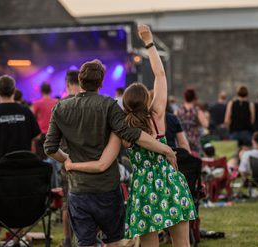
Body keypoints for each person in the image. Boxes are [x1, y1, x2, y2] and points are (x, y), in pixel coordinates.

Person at [63, 24, 196, 247]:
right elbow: (160, 75)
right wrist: (149, 42)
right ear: (147, 99)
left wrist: (73, 164)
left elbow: (104, 162)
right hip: (168, 182)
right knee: (182, 244)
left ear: (124, 103)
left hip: (143, 189)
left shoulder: (122, 131)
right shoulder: (157, 115)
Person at [44, 57, 176, 246]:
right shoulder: (108, 105)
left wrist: (66, 159)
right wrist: (165, 148)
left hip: (78, 188)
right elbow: (131, 133)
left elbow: (49, 148)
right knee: (115, 241)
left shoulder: (60, 107)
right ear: (101, 82)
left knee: (85, 242)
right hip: (107, 187)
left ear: (80, 81)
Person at [0, 75, 41, 247]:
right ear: (14, 91)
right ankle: (17, 239)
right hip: (24, 169)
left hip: (1, 170)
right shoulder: (25, 111)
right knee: (20, 201)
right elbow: (36, 136)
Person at [60, 69, 80, 247]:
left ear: (67, 84)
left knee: (67, 201)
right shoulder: (92, 103)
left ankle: (67, 239)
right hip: (92, 161)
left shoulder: (60, 106)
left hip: (67, 161)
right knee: (90, 200)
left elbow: (53, 140)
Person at [176, 88, 209, 154]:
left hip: (182, 138)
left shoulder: (179, 110)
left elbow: (174, 123)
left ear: (185, 97)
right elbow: (206, 124)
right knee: (195, 159)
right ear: (194, 98)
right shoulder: (196, 110)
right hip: (194, 139)